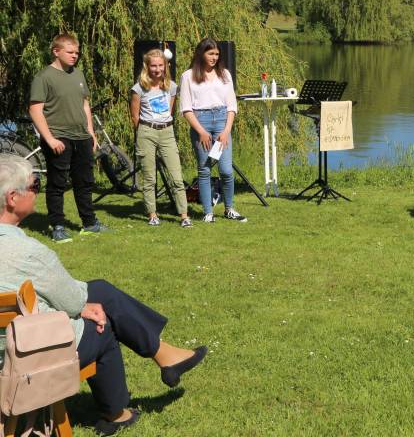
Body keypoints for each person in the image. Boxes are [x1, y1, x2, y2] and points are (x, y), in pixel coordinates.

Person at [0, 154, 207, 435]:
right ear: (13, 198)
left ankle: (166, 355)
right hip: (25, 356)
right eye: (35, 185)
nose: (38, 191)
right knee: (102, 321)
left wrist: (83, 304)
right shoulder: (29, 253)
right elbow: (73, 301)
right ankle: (117, 413)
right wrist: (85, 307)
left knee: (98, 293)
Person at [28, 33, 107, 243]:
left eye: (77, 53)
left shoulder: (78, 74)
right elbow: (35, 110)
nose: (75, 56)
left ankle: (89, 223)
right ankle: (58, 226)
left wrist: (91, 133)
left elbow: (84, 105)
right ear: (56, 51)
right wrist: (50, 139)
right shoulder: (43, 77)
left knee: (85, 182)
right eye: (70, 52)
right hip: (58, 137)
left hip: (81, 137)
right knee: (57, 183)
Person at [179, 38, 246, 223]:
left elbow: (232, 106)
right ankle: (208, 212)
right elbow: (186, 109)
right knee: (205, 169)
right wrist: (200, 131)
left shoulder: (225, 74)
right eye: (211, 54)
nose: (214, 57)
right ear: (201, 53)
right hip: (201, 121)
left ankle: (229, 208)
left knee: (225, 170)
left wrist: (226, 131)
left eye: (217, 54)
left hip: (222, 121)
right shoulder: (188, 76)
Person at [129, 49, 191, 228]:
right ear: (147, 67)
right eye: (153, 66)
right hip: (146, 132)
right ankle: (152, 214)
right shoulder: (139, 88)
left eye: (160, 65)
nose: (157, 69)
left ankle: (184, 216)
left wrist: (164, 126)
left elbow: (170, 110)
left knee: (176, 177)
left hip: (167, 132)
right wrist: (143, 133)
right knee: (150, 177)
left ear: (166, 66)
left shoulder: (171, 86)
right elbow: (135, 116)